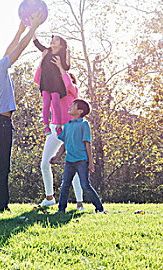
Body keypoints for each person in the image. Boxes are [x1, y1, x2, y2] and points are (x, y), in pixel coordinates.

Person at [0, 14, 42, 213]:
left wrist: (21, 29)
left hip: (1, 123)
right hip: (1, 124)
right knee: (1, 167)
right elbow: (17, 51)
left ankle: (1, 205)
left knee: (2, 166)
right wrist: (33, 30)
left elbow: (9, 49)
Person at [34, 56, 84, 210]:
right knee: (44, 164)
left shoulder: (73, 92)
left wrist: (62, 69)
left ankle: (79, 203)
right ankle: (49, 198)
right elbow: (37, 78)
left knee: (74, 166)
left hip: (71, 129)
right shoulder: (54, 92)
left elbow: (67, 82)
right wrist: (42, 59)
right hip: (56, 128)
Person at [49, 99, 105, 214]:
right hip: (69, 161)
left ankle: (99, 208)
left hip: (82, 161)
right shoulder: (68, 125)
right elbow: (64, 144)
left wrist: (90, 162)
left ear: (80, 111)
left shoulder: (84, 124)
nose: (70, 106)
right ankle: (61, 209)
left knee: (85, 185)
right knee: (65, 185)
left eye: (73, 105)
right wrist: (56, 156)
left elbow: (87, 143)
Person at [33, 34, 70, 136]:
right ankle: (46, 126)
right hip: (45, 81)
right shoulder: (46, 51)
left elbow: (66, 67)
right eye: (52, 39)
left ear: (61, 45)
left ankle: (58, 126)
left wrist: (68, 55)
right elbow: (37, 43)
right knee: (46, 102)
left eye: (56, 40)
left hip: (56, 83)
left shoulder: (61, 56)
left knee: (56, 102)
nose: (53, 41)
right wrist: (32, 30)